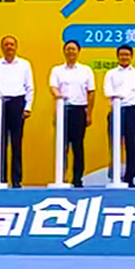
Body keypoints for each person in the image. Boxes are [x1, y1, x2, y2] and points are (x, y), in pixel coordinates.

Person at [0, 36, 34, 189]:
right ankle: (0, 178)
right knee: (0, 142)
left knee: (16, 143)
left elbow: (29, 87)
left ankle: (16, 180)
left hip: (17, 103)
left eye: (12, 44)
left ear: (16, 47)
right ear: (2, 47)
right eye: (6, 44)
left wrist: (27, 107)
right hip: (1, 103)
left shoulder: (24, 64)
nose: (9, 47)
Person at [50, 40, 95, 188]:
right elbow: (53, 87)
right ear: (64, 51)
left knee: (78, 146)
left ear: (78, 51)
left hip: (79, 110)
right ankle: (61, 178)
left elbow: (91, 92)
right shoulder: (57, 70)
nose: (71, 52)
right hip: (63, 109)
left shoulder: (86, 70)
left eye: (73, 49)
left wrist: (89, 113)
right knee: (61, 146)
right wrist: (59, 97)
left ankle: (77, 179)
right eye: (68, 49)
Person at [104, 44, 135, 188]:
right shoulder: (111, 73)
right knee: (115, 145)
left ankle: (130, 177)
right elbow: (107, 91)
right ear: (117, 56)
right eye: (122, 55)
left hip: (132, 110)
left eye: (127, 55)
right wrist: (118, 96)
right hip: (116, 110)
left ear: (131, 56)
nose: (124, 57)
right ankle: (114, 176)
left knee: (132, 145)